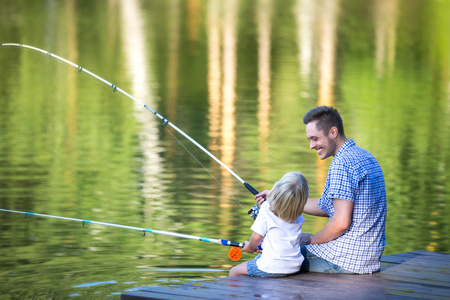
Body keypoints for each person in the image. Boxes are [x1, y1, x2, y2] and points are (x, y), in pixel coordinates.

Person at [255, 106, 387, 274]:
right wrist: (278, 197)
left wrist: (312, 240)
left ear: (333, 132)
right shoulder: (364, 156)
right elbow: (328, 207)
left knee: (276, 257)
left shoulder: (342, 164)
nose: (311, 145)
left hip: (347, 258)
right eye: (310, 139)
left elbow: (340, 223)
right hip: (369, 256)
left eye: (315, 138)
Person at [229, 172, 309, 277]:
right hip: (294, 266)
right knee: (257, 260)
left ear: (277, 188)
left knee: (234, 271)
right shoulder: (298, 216)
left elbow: (257, 237)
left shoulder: (266, 207)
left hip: (271, 267)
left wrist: (250, 248)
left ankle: (233, 293)